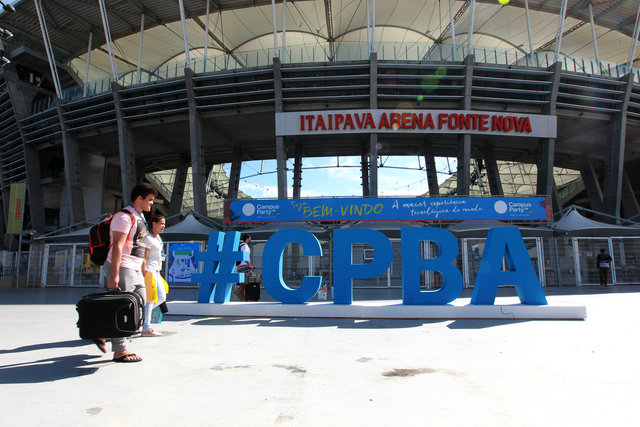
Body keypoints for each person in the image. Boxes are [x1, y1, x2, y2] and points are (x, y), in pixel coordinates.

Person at [99, 182, 156, 363]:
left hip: (134, 268)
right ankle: (120, 350)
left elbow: (138, 245)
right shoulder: (124, 216)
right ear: (139, 198)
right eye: (149, 200)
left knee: (140, 303)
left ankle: (100, 330)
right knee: (123, 307)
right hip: (122, 266)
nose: (151, 204)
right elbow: (118, 245)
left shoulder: (140, 217)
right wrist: (115, 275)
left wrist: (142, 266)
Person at [141, 213, 168, 337]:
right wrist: (143, 268)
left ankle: (140, 317)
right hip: (149, 270)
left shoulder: (157, 237)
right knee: (150, 298)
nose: (163, 226)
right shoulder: (148, 238)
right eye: (161, 223)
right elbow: (144, 255)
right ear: (154, 224)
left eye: (164, 224)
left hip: (157, 270)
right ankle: (146, 326)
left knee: (161, 297)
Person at [234, 234, 254, 301]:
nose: (250, 240)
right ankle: (238, 291)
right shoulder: (245, 246)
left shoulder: (240, 245)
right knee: (246, 280)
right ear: (247, 238)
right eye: (250, 238)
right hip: (244, 265)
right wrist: (249, 265)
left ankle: (242, 297)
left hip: (240, 265)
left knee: (242, 281)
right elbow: (244, 256)